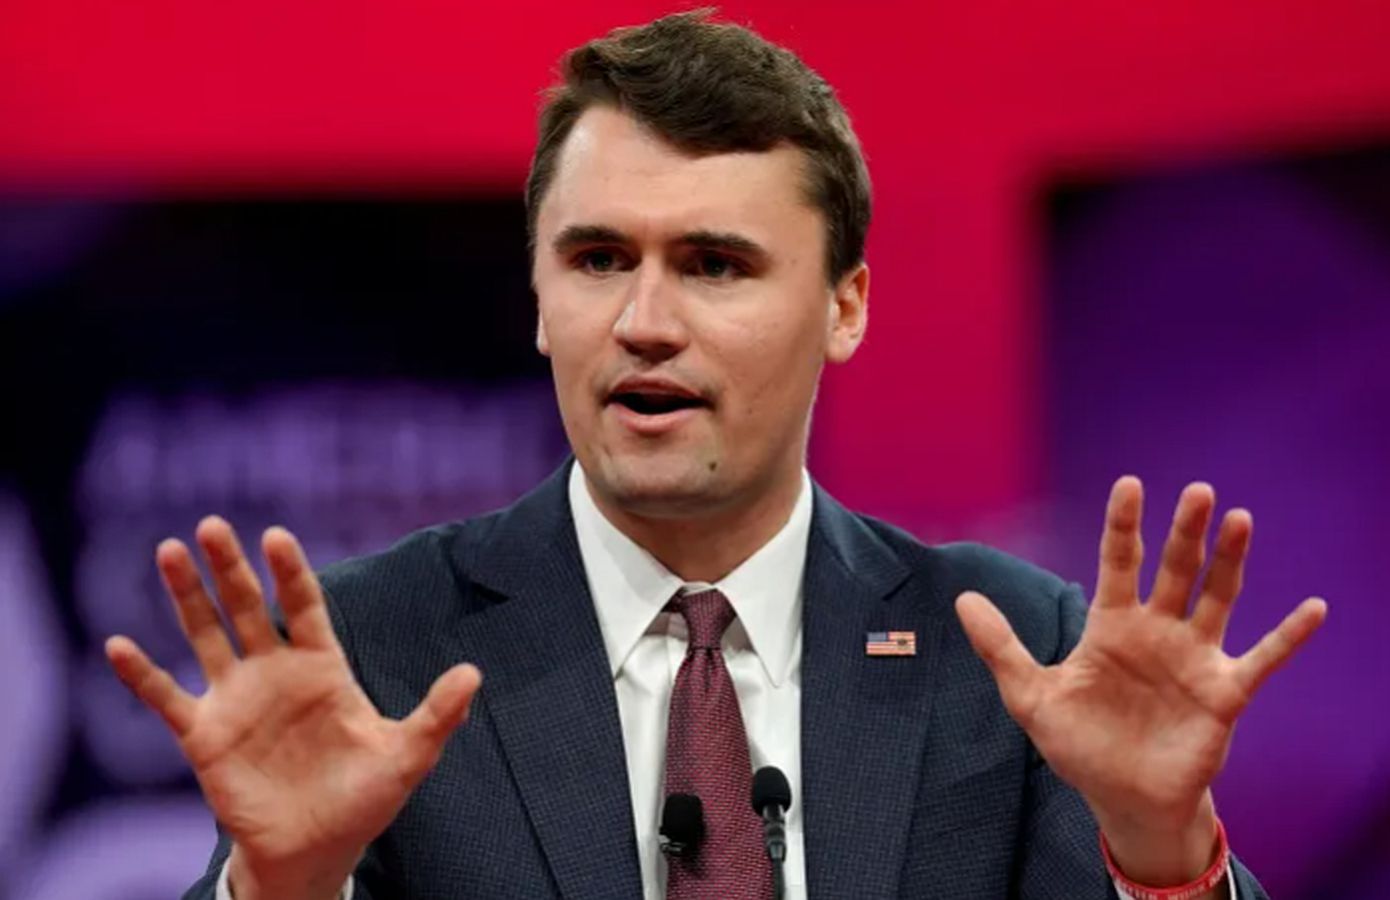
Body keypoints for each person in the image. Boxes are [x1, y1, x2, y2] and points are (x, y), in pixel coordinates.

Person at [105, 11, 1326, 900]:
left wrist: (1160, 853)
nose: (644, 321)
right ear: (538, 300)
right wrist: (284, 887)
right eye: (597, 260)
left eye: (713, 265)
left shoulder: (1011, 649)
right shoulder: (378, 645)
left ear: (844, 307)